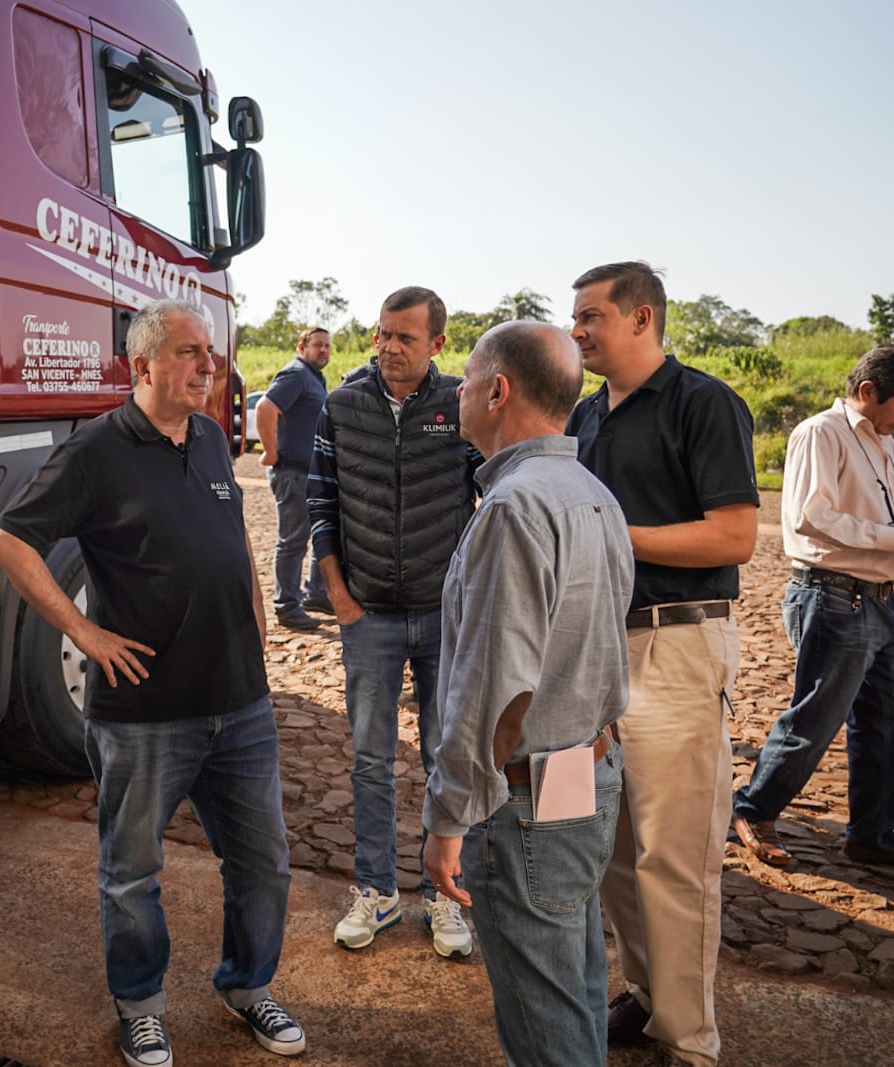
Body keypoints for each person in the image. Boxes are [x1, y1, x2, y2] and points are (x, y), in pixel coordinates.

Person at [0, 299, 304, 1067]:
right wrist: (84, 632)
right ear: (144, 365)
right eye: (193, 352)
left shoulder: (206, 436)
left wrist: (257, 610)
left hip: (241, 703)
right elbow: (9, 542)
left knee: (264, 860)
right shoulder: (96, 448)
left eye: (212, 354)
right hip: (143, 715)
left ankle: (247, 982)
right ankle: (141, 1007)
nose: (210, 366)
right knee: (132, 874)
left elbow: (225, 537)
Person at [422, 321, 633, 1066]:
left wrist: (448, 817)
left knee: (547, 1019)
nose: (458, 393)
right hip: (584, 767)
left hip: (528, 788)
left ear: (498, 391)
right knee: (572, 976)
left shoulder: (514, 507)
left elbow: (492, 692)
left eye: (468, 379)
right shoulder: (592, 492)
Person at [566, 261, 759, 1067]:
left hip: (674, 643)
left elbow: (734, 536)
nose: (576, 329)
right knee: (604, 842)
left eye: (590, 317)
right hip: (590, 653)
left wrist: (609, 532)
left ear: (642, 317)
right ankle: (646, 997)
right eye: (573, 317)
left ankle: (690, 1039)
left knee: (672, 854)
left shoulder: (704, 402)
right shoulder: (582, 415)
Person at [307, 286, 479, 960]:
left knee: (446, 757)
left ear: (437, 342)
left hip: (444, 619)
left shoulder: (460, 405)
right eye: (382, 334)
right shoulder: (341, 405)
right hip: (369, 616)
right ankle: (376, 891)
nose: (389, 348)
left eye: (405, 337)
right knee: (372, 760)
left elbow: (492, 494)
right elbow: (319, 499)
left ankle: (445, 895)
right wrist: (339, 596)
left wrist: (470, 596)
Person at [733, 343, 894, 868]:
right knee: (816, 718)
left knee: (882, 722)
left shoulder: (886, 441)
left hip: (880, 597)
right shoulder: (820, 433)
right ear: (868, 392)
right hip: (834, 595)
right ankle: (753, 809)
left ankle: (871, 835)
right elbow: (810, 516)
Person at [257, 326, 333, 630]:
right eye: (318, 345)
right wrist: (270, 452)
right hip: (292, 471)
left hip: (311, 472)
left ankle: (315, 594)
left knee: (321, 534)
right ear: (302, 346)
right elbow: (265, 408)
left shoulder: (313, 376)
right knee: (292, 542)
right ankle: (286, 605)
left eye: (328, 346)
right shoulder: (296, 374)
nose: (324, 351)